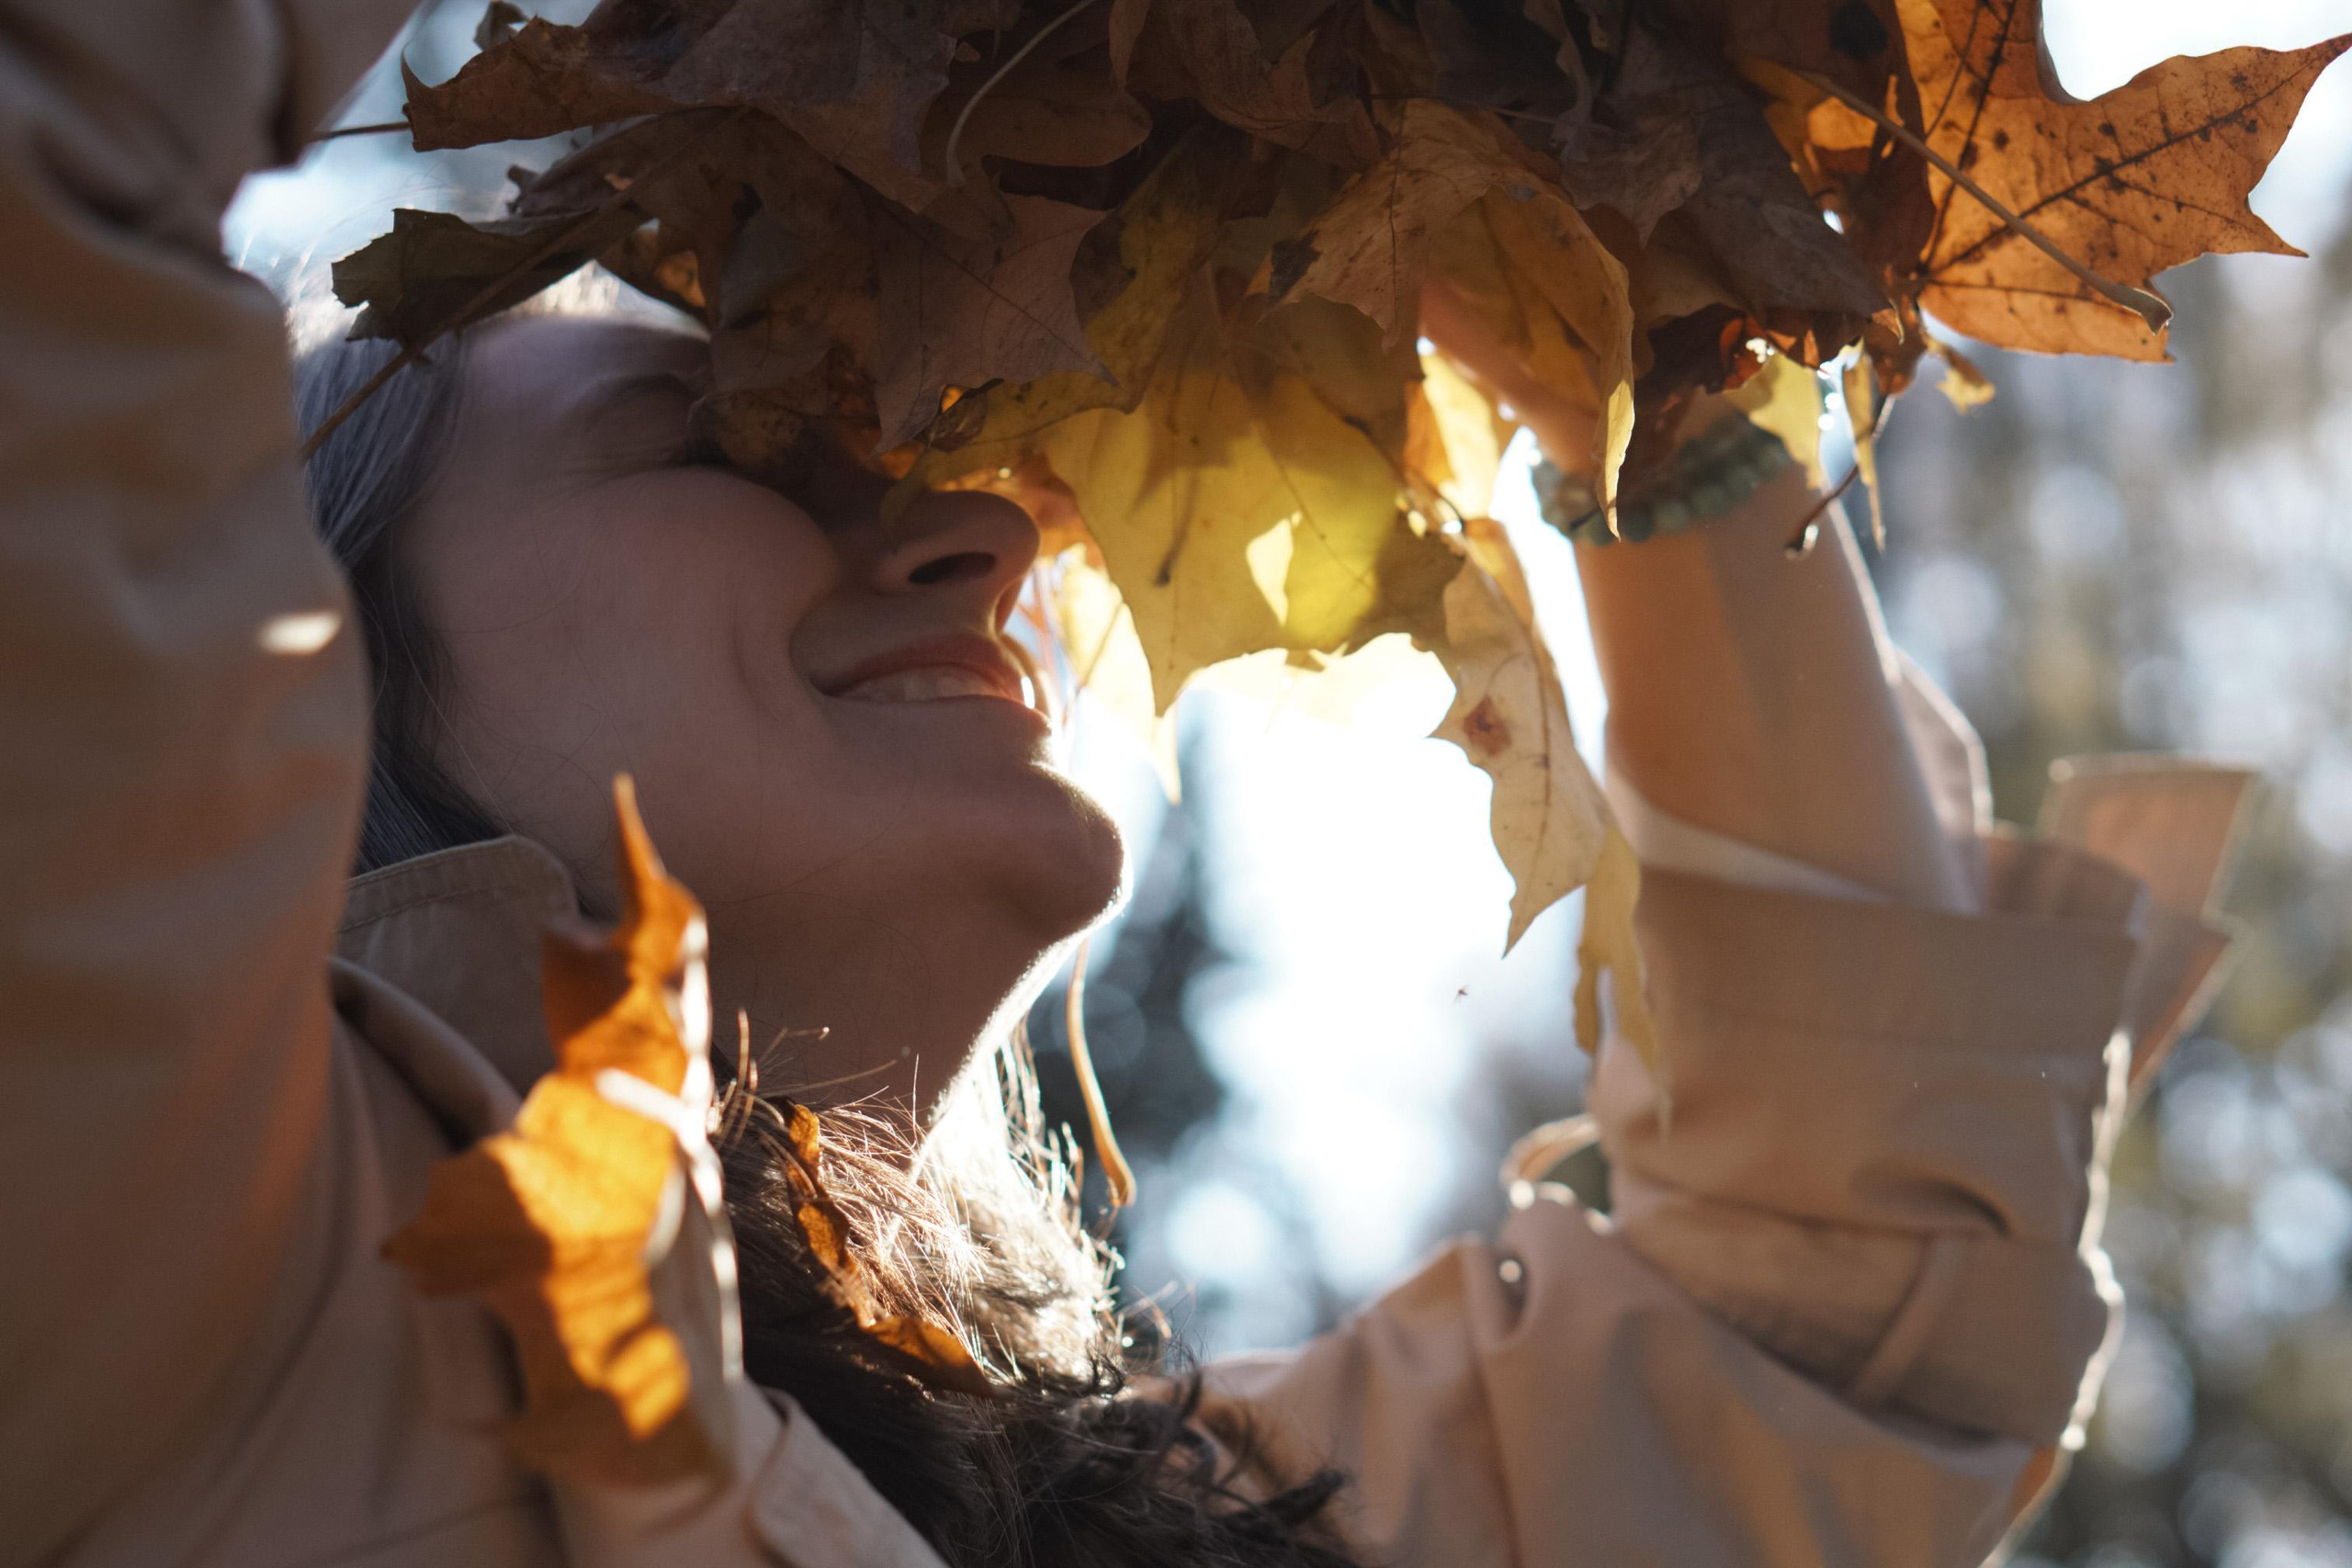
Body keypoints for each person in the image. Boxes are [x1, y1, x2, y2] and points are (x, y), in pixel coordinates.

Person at [0, 3, 2253, 1565]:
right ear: (291, 683)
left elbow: (1828, 1329)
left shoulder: (1189, 1528)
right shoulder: (175, 1260)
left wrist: (1636, 336)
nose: (974, 534)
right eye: (722, 442)